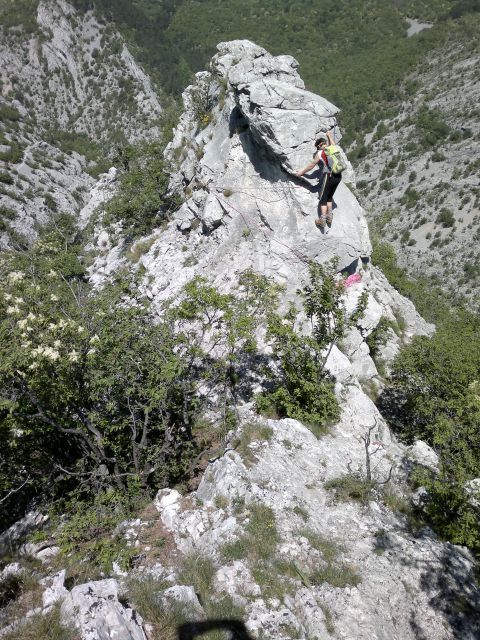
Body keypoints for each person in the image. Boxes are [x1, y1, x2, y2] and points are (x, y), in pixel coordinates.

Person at [295, 130, 342, 233]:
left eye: (318, 146)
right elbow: (333, 144)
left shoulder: (320, 153)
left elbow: (311, 165)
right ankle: (330, 217)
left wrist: (301, 172)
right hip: (338, 176)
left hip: (328, 176)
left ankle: (322, 220)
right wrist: (329, 135)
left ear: (319, 146)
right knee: (330, 197)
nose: (319, 148)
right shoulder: (332, 148)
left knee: (323, 199)